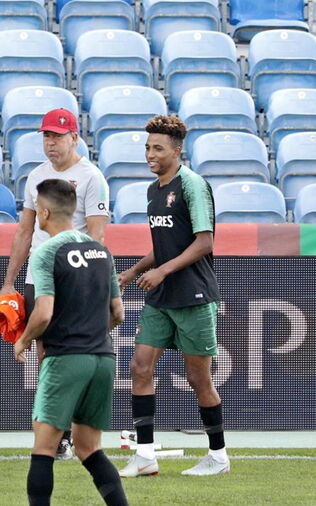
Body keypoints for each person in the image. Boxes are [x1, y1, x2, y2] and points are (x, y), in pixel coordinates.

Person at [14, 179, 144, 506]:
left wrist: (22, 340)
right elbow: (117, 313)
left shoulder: (46, 252)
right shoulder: (102, 252)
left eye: (37, 207)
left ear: (46, 212)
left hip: (65, 359)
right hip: (103, 359)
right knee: (90, 449)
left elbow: (44, 312)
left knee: (43, 449)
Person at [117, 114, 229, 478]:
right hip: (161, 298)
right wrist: (134, 270)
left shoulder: (193, 185)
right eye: (147, 147)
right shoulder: (153, 191)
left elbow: (204, 242)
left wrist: (162, 270)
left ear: (177, 151)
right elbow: (163, 245)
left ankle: (218, 456)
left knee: (199, 380)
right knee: (139, 367)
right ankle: (145, 455)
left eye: (158, 148)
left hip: (194, 295)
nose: (150, 154)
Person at [0, 108, 111, 461]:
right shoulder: (36, 176)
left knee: (70, 349)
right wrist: (9, 282)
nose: (51, 143)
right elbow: (24, 231)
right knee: (46, 351)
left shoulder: (92, 178)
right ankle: (58, 433)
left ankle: (75, 432)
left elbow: (96, 235)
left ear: (74, 137)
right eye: (46, 136)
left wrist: (96, 278)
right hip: (39, 271)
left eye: (58, 136)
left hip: (75, 271)